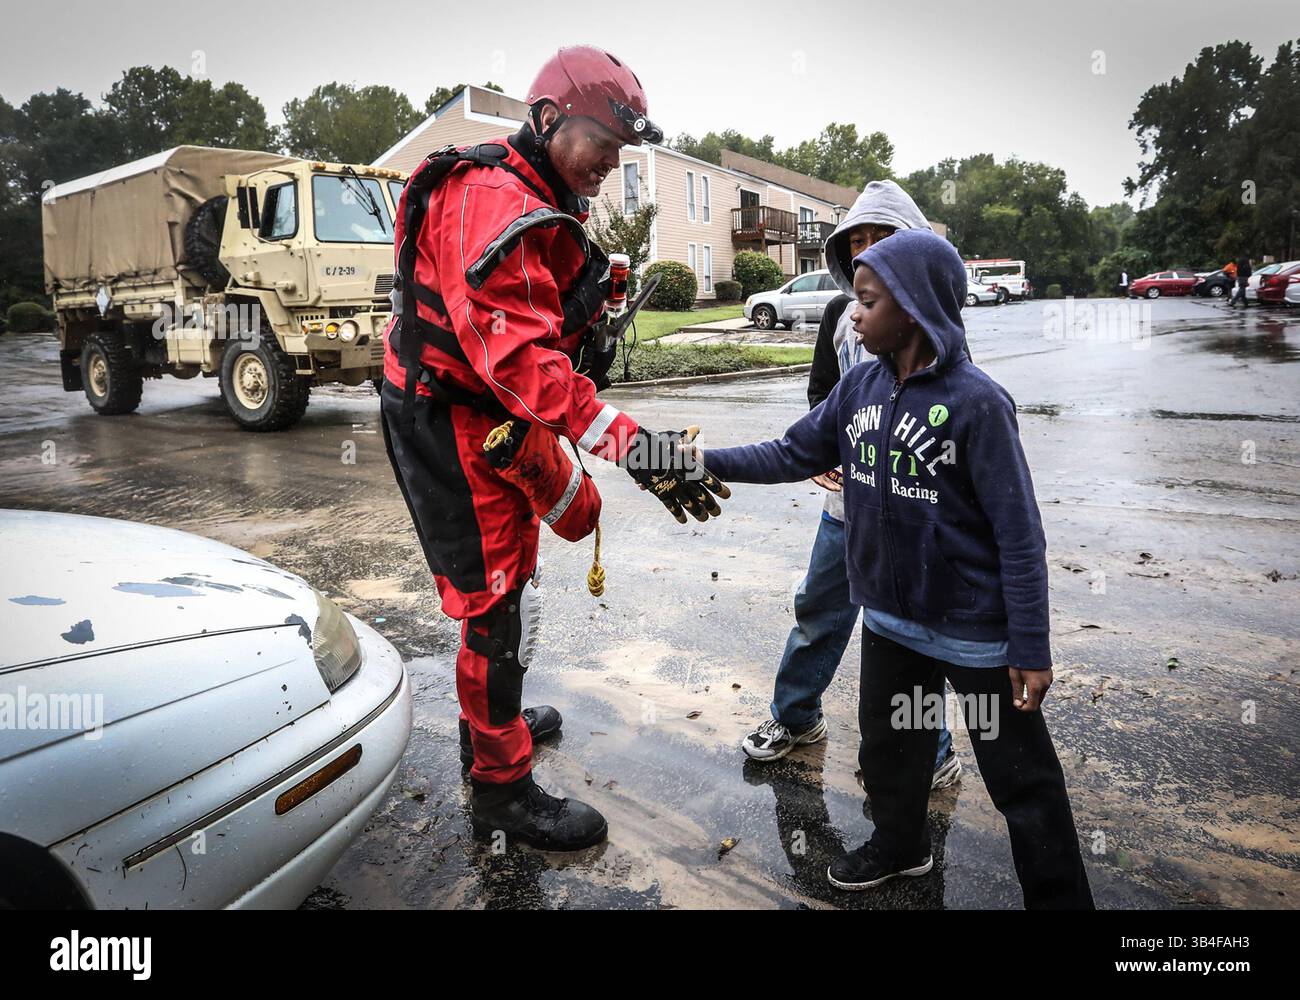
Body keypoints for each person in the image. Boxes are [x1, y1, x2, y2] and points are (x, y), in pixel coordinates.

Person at [379, 46, 728, 851]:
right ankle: (499, 791)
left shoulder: (538, 192)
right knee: (491, 605)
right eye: (603, 141)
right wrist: (638, 449)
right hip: (448, 416)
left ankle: (489, 723)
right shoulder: (489, 197)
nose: (613, 163)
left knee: (516, 576)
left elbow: (538, 338)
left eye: (621, 148)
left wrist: (587, 317)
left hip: (491, 414)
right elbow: (520, 365)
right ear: (544, 119)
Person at [698, 229, 1094, 908]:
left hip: (977, 633)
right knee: (892, 756)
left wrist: (1030, 641)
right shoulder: (860, 387)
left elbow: (1020, 534)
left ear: (912, 308)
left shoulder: (978, 403)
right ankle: (901, 846)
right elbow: (789, 452)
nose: (853, 313)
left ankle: (1060, 899)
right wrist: (700, 461)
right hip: (888, 621)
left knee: (1023, 783)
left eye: (869, 300)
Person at [740, 181, 961, 793]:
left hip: (916, 516)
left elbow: (954, 418)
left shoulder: (937, 324)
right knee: (818, 611)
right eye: (857, 243)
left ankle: (931, 747)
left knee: (913, 639)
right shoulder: (842, 316)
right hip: (847, 509)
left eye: (882, 240)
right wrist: (818, 460)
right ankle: (795, 718)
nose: (868, 253)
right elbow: (821, 401)